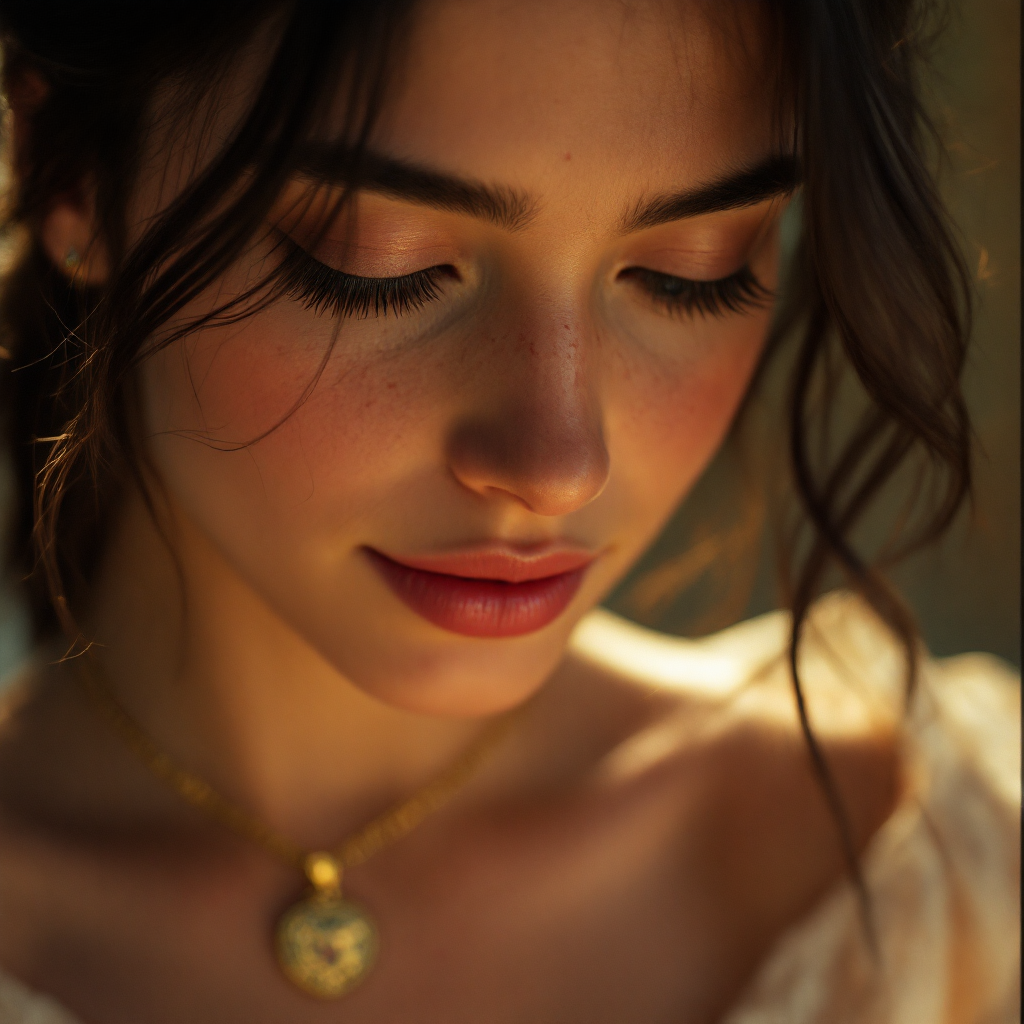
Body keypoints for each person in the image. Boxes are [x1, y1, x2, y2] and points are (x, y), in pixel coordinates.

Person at [0, 1, 1017, 1021]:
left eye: (689, 273)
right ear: (69, 173)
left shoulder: (939, 871)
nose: (557, 463)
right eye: (380, 263)